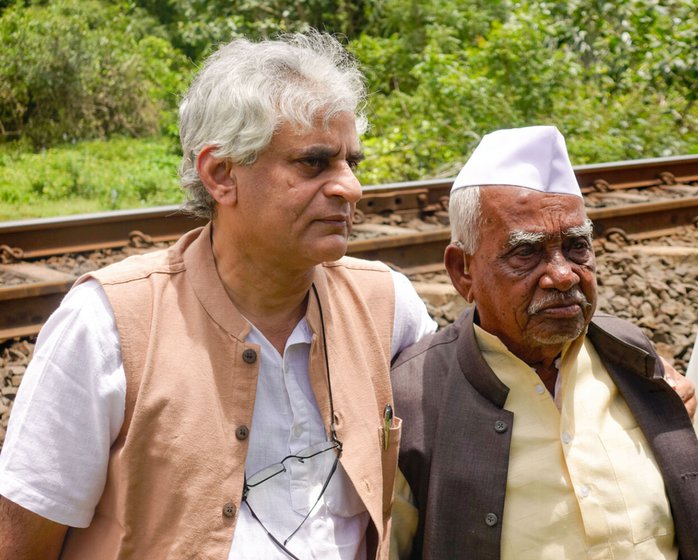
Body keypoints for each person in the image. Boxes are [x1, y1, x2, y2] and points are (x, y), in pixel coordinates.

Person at [0, 32, 437, 559]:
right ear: (221, 174)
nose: (351, 188)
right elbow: (22, 544)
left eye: (352, 163)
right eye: (313, 163)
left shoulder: (389, 306)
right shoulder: (108, 324)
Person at [391, 126, 698, 559]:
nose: (563, 275)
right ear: (463, 271)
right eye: (526, 252)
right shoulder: (414, 398)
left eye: (577, 247)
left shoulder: (628, 355)